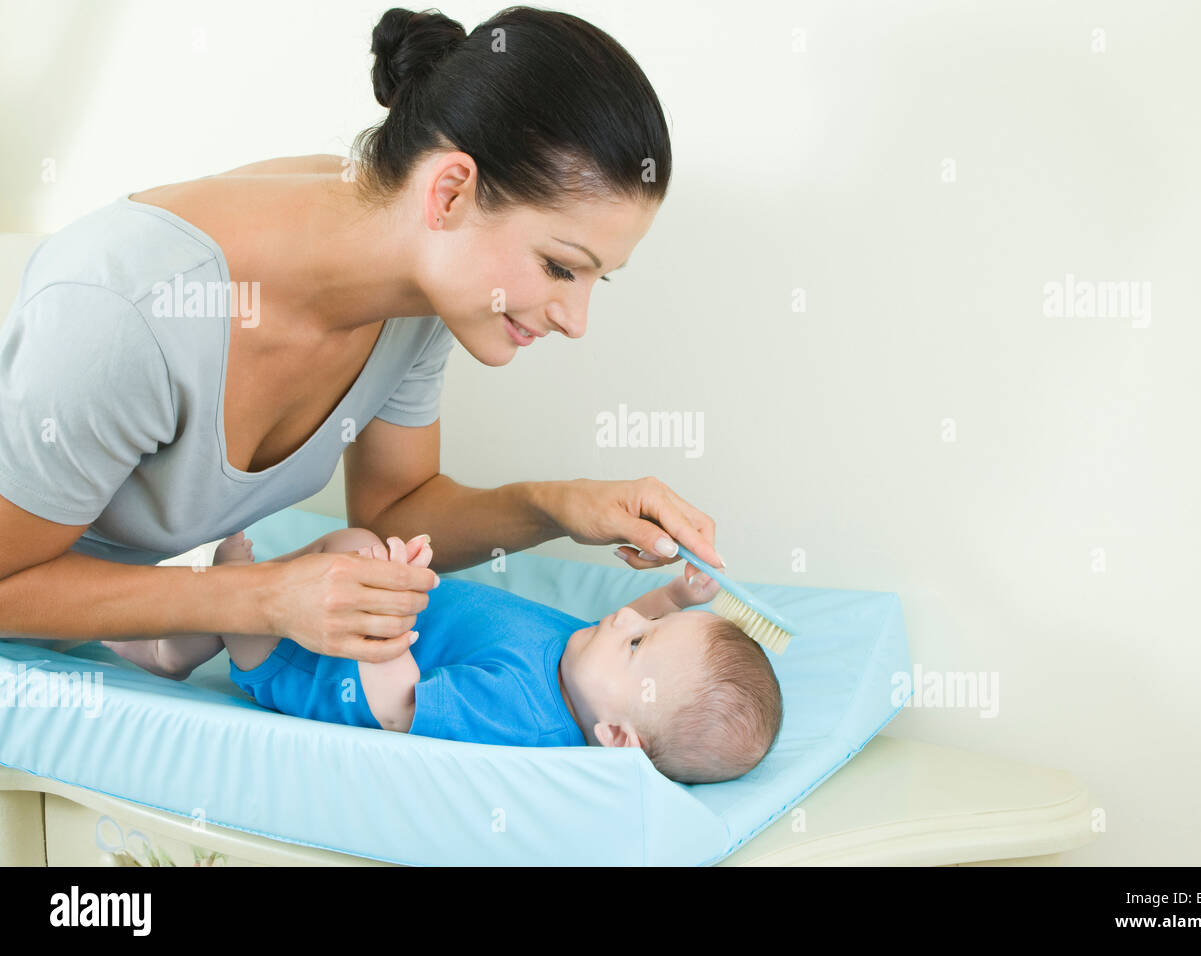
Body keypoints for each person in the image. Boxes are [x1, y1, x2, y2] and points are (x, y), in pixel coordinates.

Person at [0, 6, 723, 660]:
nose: (576, 320)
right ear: (450, 191)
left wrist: (557, 505)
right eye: (562, 267)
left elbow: (394, 510)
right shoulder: (127, 312)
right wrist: (261, 598)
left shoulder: (420, 287)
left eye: (601, 278)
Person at [106, 528, 784, 785]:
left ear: (615, 734)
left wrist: (390, 615)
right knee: (352, 552)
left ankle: (215, 620)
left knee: (351, 553)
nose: (626, 616)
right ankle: (182, 639)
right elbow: (639, 633)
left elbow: (403, 710)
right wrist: (676, 596)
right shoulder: (594, 669)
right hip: (352, 629)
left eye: (637, 640)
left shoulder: (522, 715)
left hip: (311, 667)